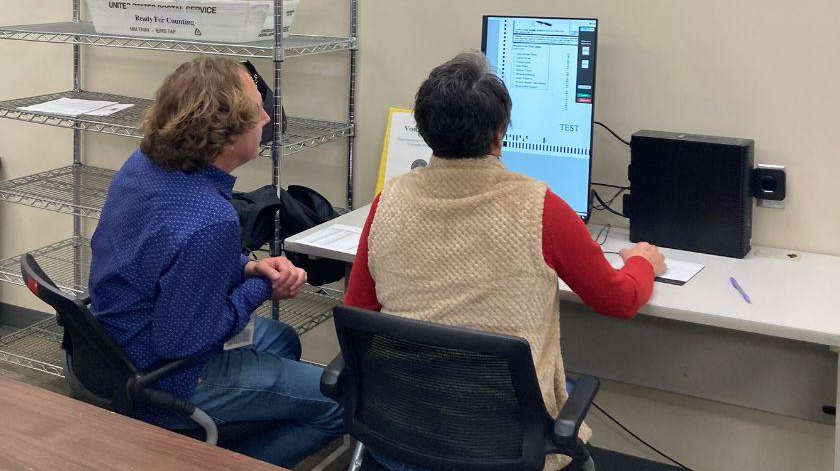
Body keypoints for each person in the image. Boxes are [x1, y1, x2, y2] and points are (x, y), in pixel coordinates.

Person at [344, 51, 665, 471]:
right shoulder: (541, 207)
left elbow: (358, 312)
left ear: (424, 131)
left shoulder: (389, 201)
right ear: (500, 134)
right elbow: (618, 300)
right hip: (504, 447)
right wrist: (643, 262)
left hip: (401, 432)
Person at [88, 56, 344, 468]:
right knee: (341, 401)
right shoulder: (210, 218)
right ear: (224, 133)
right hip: (166, 370)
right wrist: (260, 286)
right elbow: (184, 342)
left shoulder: (146, 166)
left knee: (282, 339)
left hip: (111, 348)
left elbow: (167, 257)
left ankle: (234, 428)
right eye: (257, 110)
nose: (265, 117)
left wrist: (246, 266)